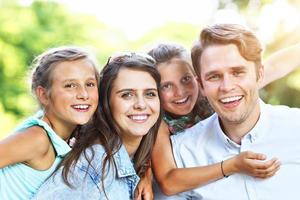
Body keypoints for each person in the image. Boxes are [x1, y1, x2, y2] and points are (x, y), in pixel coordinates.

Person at [141, 40, 300, 198]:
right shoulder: (159, 122)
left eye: (186, 79)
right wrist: (233, 165)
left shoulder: (219, 95)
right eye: (166, 86)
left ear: (199, 79)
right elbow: (169, 182)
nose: (180, 92)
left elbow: (274, 66)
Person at [32, 52, 162, 200]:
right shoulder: (95, 165)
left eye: (150, 94)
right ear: (106, 103)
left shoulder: (132, 157)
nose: (141, 104)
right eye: (127, 95)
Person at [0, 46, 99, 199]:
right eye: (70, 85)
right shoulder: (37, 138)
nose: (83, 94)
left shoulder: (67, 137)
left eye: (90, 84)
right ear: (44, 95)